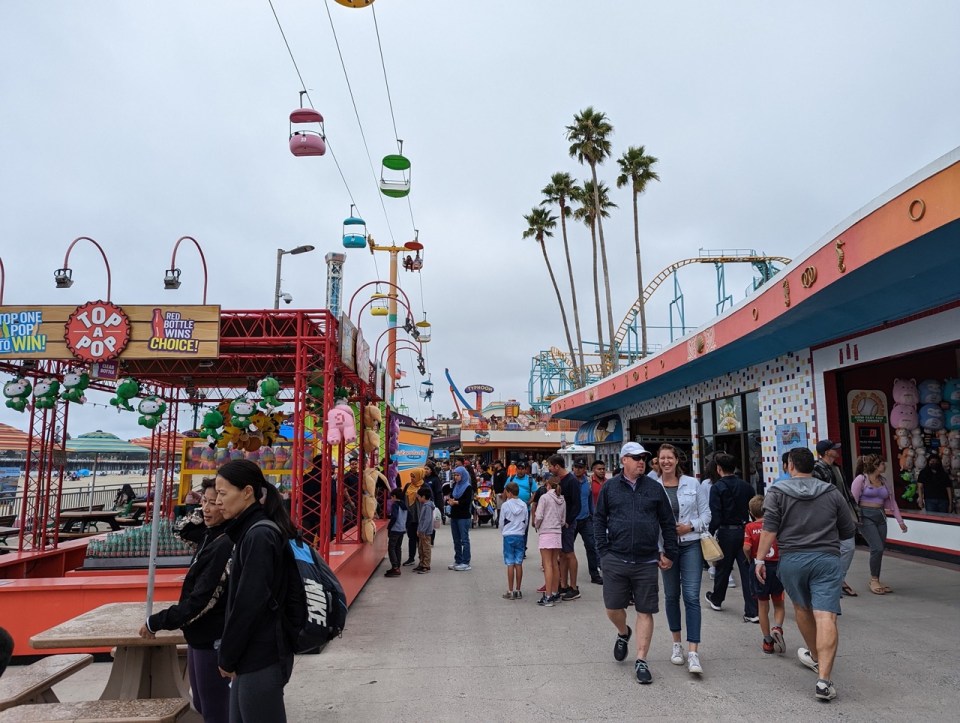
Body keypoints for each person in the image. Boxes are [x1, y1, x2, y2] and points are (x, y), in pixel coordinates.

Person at [756, 447, 857, 702]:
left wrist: (759, 559)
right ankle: (823, 680)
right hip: (826, 559)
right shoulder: (831, 492)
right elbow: (848, 530)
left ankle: (814, 655)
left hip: (792, 559)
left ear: (790, 465)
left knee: (801, 609)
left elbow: (769, 529)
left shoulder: (777, 492)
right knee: (826, 616)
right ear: (812, 466)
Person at [140, 477, 232, 723]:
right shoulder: (209, 535)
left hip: (211, 635)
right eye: (205, 501)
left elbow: (202, 601)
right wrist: (203, 508)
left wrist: (157, 621)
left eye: (215, 502)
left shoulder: (225, 543)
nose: (207, 508)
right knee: (202, 703)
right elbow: (180, 529)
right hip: (198, 635)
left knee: (215, 709)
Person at [214, 459, 298, 722]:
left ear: (248, 492)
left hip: (262, 654)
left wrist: (227, 656)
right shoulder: (252, 531)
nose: (217, 501)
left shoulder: (259, 535)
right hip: (254, 655)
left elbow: (249, 603)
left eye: (223, 493)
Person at [594, 442, 678, 685]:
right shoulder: (610, 488)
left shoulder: (654, 488)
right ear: (624, 461)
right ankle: (623, 633)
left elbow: (667, 522)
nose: (641, 461)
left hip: (646, 560)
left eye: (643, 457)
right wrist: (603, 552)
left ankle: (641, 660)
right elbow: (599, 520)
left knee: (645, 610)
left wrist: (670, 552)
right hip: (616, 558)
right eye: (636, 457)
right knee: (612, 607)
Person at [657, 443, 710, 675]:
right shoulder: (653, 486)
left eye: (670, 457)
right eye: (662, 458)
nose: (666, 461)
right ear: (658, 462)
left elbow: (707, 514)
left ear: (677, 460)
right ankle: (676, 644)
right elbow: (650, 522)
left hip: (691, 546)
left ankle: (694, 651)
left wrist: (690, 526)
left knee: (691, 596)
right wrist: (658, 551)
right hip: (666, 549)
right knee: (670, 596)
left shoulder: (693, 483)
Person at [705, 452, 760, 623]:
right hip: (744, 530)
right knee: (746, 571)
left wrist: (709, 533)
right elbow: (753, 509)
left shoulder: (717, 488)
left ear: (718, 469)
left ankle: (717, 599)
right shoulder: (746, 486)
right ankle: (752, 611)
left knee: (723, 568)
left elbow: (716, 515)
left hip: (726, 532)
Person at [851, 454, 908, 594]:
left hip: (880, 516)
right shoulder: (861, 479)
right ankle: (874, 579)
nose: (885, 465)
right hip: (865, 516)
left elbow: (892, 502)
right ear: (875, 465)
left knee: (880, 548)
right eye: (882, 463)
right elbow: (852, 501)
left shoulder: (884, 481)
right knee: (877, 547)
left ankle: (876, 577)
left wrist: (900, 521)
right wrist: (851, 521)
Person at [812, 440, 860, 597]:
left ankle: (838, 580)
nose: (837, 451)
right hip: (828, 514)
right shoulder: (817, 469)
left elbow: (845, 490)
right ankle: (834, 582)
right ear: (827, 452)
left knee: (848, 547)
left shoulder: (837, 468)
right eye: (834, 449)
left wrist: (855, 510)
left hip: (843, 512)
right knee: (833, 549)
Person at [743, 495, 785, 656]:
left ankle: (767, 640)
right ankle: (778, 627)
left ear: (751, 513)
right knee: (779, 602)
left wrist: (751, 560)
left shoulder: (750, 527)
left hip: (759, 567)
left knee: (762, 605)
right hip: (776, 566)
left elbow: (747, 547)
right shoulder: (775, 526)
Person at [546, 454, 582, 601]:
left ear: (557, 466)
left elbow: (577, 504)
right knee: (561, 554)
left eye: (550, 466)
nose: (549, 468)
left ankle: (573, 587)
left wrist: (568, 520)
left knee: (569, 553)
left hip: (567, 523)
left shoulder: (571, 481)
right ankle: (563, 584)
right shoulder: (558, 480)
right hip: (558, 523)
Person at [534, 476, 566, 606]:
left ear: (548, 485)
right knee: (554, 563)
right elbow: (563, 520)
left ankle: (547, 596)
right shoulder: (562, 499)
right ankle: (554, 592)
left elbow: (539, 515)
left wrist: (537, 524)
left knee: (546, 564)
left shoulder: (544, 498)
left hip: (546, 532)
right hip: (557, 532)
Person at [572, 458, 602, 585]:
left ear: (584, 469)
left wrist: (593, 514)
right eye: (576, 467)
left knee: (591, 547)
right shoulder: (569, 481)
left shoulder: (588, 482)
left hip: (586, 520)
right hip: (571, 520)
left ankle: (594, 575)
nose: (578, 469)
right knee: (566, 550)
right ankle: (562, 575)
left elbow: (590, 499)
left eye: (580, 467)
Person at [499, 481, 528, 599]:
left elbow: (501, 522)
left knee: (510, 563)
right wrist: (521, 530)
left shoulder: (506, 505)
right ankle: (518, 589)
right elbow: (525, 521)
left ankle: (510, 590)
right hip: (520, 535)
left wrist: (504, 532)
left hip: (508, 535)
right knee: (519, 562)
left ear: (509, 492)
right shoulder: (524, 505)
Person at [446, 465, 474, 571]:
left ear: (463, 475)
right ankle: (458, 560)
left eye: (458, 475)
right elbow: (452, 497)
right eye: (455, 475)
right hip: (454, 515)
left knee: (464, 540)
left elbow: (467, 501)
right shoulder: (455, 486)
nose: (456, 477)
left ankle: (466, 562)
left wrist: (455, 502)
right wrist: (449, 501)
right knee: (456, 540)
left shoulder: (468, 487)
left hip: (463, 516)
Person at [509, 461, 538, 556]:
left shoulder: (530, 480)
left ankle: (522, 549)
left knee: (523, 530)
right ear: (516, 469)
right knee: (513, 528)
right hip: (512, 508)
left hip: (526, 509)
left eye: (522, 469)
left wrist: (529, 502)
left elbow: (534, 493)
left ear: (525, 470)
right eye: (519, 469)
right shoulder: (511, 478)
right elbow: (506, 490)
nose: (520, 471)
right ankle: (514, 548)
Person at [402, 468, 427, 567]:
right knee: (411, 538)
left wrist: (419, 497)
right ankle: (411, 558)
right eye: (411, 476)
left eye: (414, 476)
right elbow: (402, 497)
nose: (412, 478)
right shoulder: (408, 486)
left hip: (420, 516)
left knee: (421, 539)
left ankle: (423, 560)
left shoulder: (424, 487)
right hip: (409, 517)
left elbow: (429, 500)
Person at [384, 488, 408, 578]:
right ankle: (398, 565)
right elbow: (409, 516)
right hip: (402, 529)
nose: (391, 499)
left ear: (394, 497)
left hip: (395, 529)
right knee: (398, 547)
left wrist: (389, 527)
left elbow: (394, 517)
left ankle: (395, 567)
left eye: (391, 497)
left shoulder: (395, 505)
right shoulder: (404, 505)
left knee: (391, 548)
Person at [415, 487, 435, 574]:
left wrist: (422, 530)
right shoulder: (425, 505)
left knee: (426, 549)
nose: (418, 498)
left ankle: (426, 565)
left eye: (418, 496)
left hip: (426, 532)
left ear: (423, 497)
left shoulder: (427, 506)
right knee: (421, 548)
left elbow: (427, 520)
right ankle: (422, 563)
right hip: (422, 531)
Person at [492, 460, 508, 527]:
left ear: (499, 464)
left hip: (501, 492)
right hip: (495, 491)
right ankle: (498, 518)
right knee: (497, 507)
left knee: (500, 507)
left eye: (495, 464)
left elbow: (505, 483)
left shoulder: (503, 472)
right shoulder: (495, 472)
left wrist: (503, 492)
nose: (494, 465)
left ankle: (499, 519)